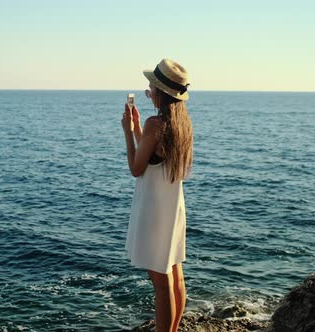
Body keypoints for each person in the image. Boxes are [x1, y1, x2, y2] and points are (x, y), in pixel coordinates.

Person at [121, 59, 193, 332]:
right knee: (175, 277)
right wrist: (139, 128)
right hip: (172, 209)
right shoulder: (180, 124)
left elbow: (137, 168)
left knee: (162, 286)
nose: (148, 91)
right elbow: (152, 156)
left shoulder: (156, 124)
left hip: (154, 212)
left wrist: (128, 133)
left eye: (151, 87)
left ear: (161, 92)